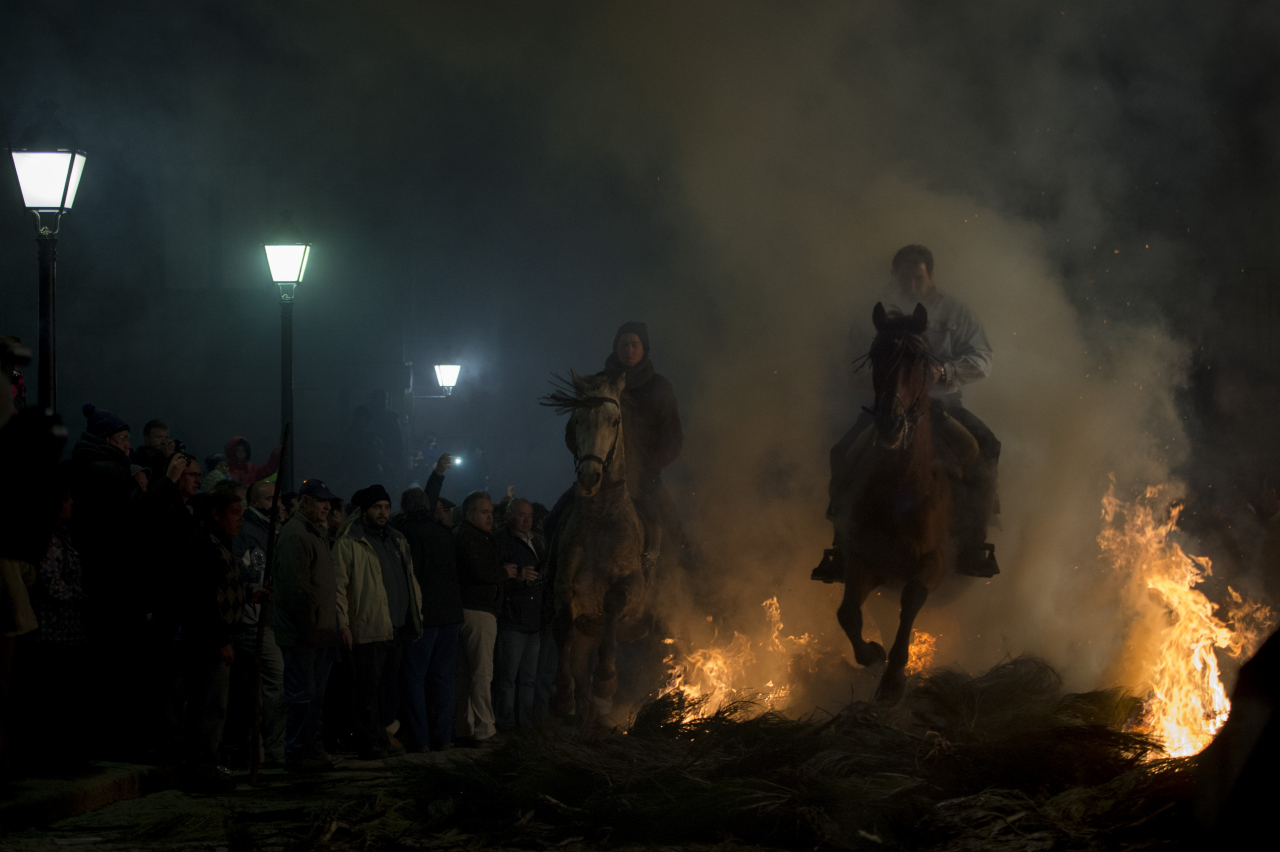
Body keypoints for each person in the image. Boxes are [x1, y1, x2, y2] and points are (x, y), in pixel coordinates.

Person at [822, 244, 1000, 579]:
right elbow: (850, 365)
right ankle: (840, 546)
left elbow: (983, 359)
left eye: (919, 278)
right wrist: (883, 378)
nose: (913, 286)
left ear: (930, 275)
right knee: (842, 453)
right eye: (906, 278)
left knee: (987, 448)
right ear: (895, 277)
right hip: (889, 407)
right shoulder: (871, 315)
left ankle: (976, 543)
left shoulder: (956, 312)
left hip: (942, 406)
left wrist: (944, 372)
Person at [563, 322, 684, 570]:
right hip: (598, 475)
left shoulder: (659, 387)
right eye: (624, 344)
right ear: (616, 347)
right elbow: (573, 431)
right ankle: (547, 576)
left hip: (645, 478)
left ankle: (671, 582)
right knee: (558, 519)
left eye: (634, 344)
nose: (629, 349)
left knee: (673, 531)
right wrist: (589, 457)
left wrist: (648, 464)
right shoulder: (595, 384)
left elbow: (673, 439)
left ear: (644, 349)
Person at [333, 485, 422, 760]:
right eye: (377, 507)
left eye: (386, 507)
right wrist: (343, 623)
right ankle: (368, 742)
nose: (383, 513)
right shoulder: (349, 541)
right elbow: (338, 586)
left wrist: (416, 612)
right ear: (364, 510)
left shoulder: (396, 539)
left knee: (385, 688)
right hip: (368, 626)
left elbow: (407, 579)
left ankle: (380, 736)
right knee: (367, 690)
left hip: (394, 626)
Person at [178, 488, 246, 792]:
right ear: (216, 514)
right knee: (207, 707)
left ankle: (206, 765)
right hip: (205, 639)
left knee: (213, 706)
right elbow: (203, 599)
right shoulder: (202, 544)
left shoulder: (218, 542)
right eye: (234, 513)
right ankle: (200, 770)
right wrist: (221, 638)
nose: (239, 520)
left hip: (215, 635)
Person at [273, 479, 340, 772]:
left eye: (328, 501)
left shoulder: (314, 533)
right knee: (303, 695)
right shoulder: (296, 534)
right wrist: (310, 626)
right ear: (304, 501)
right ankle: (299, 752)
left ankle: (311, 749)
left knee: (314, 696)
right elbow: (296, 589)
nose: (327, 506)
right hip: (305, 634)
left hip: (319, 632)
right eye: (320, 500)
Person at [392, 488, 463, 752]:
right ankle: (443, 737)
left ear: (404, 507)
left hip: (425, 616)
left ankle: (419, 738)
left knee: (414, 677)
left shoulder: (407, 534)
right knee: (444, 678)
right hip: (451, 614)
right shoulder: (443, 532)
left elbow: (411, 578)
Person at [226, 479, 284, 767]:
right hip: (254, 621)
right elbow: (242, 572)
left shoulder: (274, 529)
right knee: (268, 686)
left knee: (265, 688)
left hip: (272, 619)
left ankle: (267, 751)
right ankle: (265, 752)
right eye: (271, 498)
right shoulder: (246, 532)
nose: (278, 504)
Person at [453, 491, 516, 746]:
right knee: (482, 673)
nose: (490, 517)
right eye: (484, 512)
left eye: (491, 512)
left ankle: (466, 728)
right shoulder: (470, 538)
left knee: (469, 674)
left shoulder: (474, 536)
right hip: (478, 611)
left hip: (475, 609)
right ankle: (485, 730)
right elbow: (479, 570)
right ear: (469, 514)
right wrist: (504, 572)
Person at [492, 498, 545, 731]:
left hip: (534, 620)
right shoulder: (500, 541)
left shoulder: (538, 542)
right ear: (510, 515)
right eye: (522, 515)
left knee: (528, 678)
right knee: (507, 679)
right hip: (512, 619)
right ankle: (503, 724)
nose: (527, 520)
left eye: (530, 515)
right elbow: (494, 578)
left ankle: (524, 724)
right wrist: (517, 578)